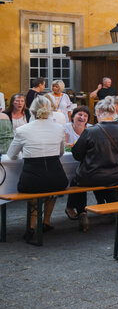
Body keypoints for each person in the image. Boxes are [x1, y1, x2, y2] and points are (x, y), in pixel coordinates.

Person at [68, 99, 118, 232]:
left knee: (77, 180)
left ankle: (82, 212)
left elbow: (77, 154)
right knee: (108, 179)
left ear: (98, 112)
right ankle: (113, 210)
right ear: (114, 113)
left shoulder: (90, 131)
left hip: (94, 176)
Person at [7, 96, 67, 240]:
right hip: (58, 179)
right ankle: (46, 222)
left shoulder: (22, 130)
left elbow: (11, 155)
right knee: (51, 191)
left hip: (32, 180)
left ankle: (31, 227)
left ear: (32, 112)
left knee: (35, 191)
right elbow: (61, 153)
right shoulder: (59, 128)